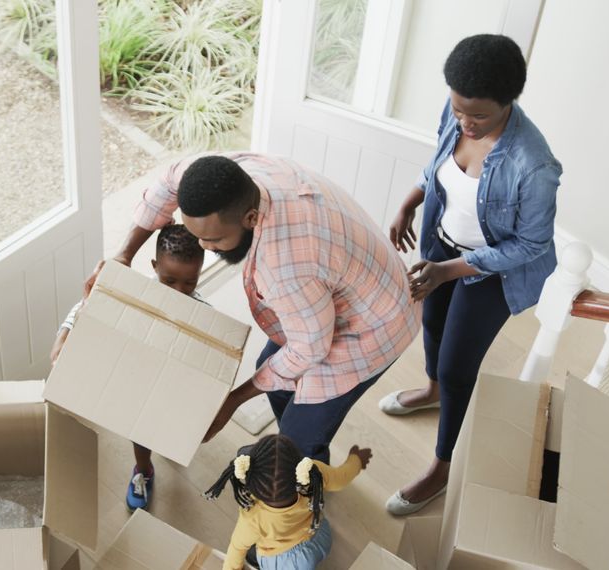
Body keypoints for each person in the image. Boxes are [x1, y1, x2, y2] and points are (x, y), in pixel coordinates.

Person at [86, 153, 420, 465]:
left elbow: (310, 348)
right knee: (270, 369)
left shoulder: (282, 267)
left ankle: (307, 483)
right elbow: (169, 183)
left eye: (214, 240)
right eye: (196, 235)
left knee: (295, 439)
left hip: (377, 325)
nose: (204, 246)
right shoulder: (235, 173)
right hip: (341, 286)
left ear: (250, 218)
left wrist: (231, 401)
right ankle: (313, 455)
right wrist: (123, 255)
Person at [379, 34, 562, 515]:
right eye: (458, 110)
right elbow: (438, 161)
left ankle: (442, 465)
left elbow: (530, 245)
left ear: (509, 101)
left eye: (477, 115)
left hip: (494, 271)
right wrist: (409, 202)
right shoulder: (458, 110)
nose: (465, 122)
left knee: (460, 365)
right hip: (442, 245)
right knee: (433, 327)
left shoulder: (533, 165)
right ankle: (433, 391)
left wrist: (449, 271)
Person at [52, 223, 206, 511]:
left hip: (174, 381)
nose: (180, 291)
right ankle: (144, 469)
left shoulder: (201, 312)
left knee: (171, 426)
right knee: (142, 427)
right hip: (138, 376)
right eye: (170, 280)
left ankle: (170, 444)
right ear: (154, 266)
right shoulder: (134, 291)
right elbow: (86, 304)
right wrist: (65, 334)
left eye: (190, 283)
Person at [204, 434, 373, 570]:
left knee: (251, 552)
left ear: (251, 483)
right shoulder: (314, 473)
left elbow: (237, 548)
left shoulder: (253, 518)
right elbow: (341, 478)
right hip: (320, 535)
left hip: (286, 563)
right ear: (299, 464)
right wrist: (356, 460)